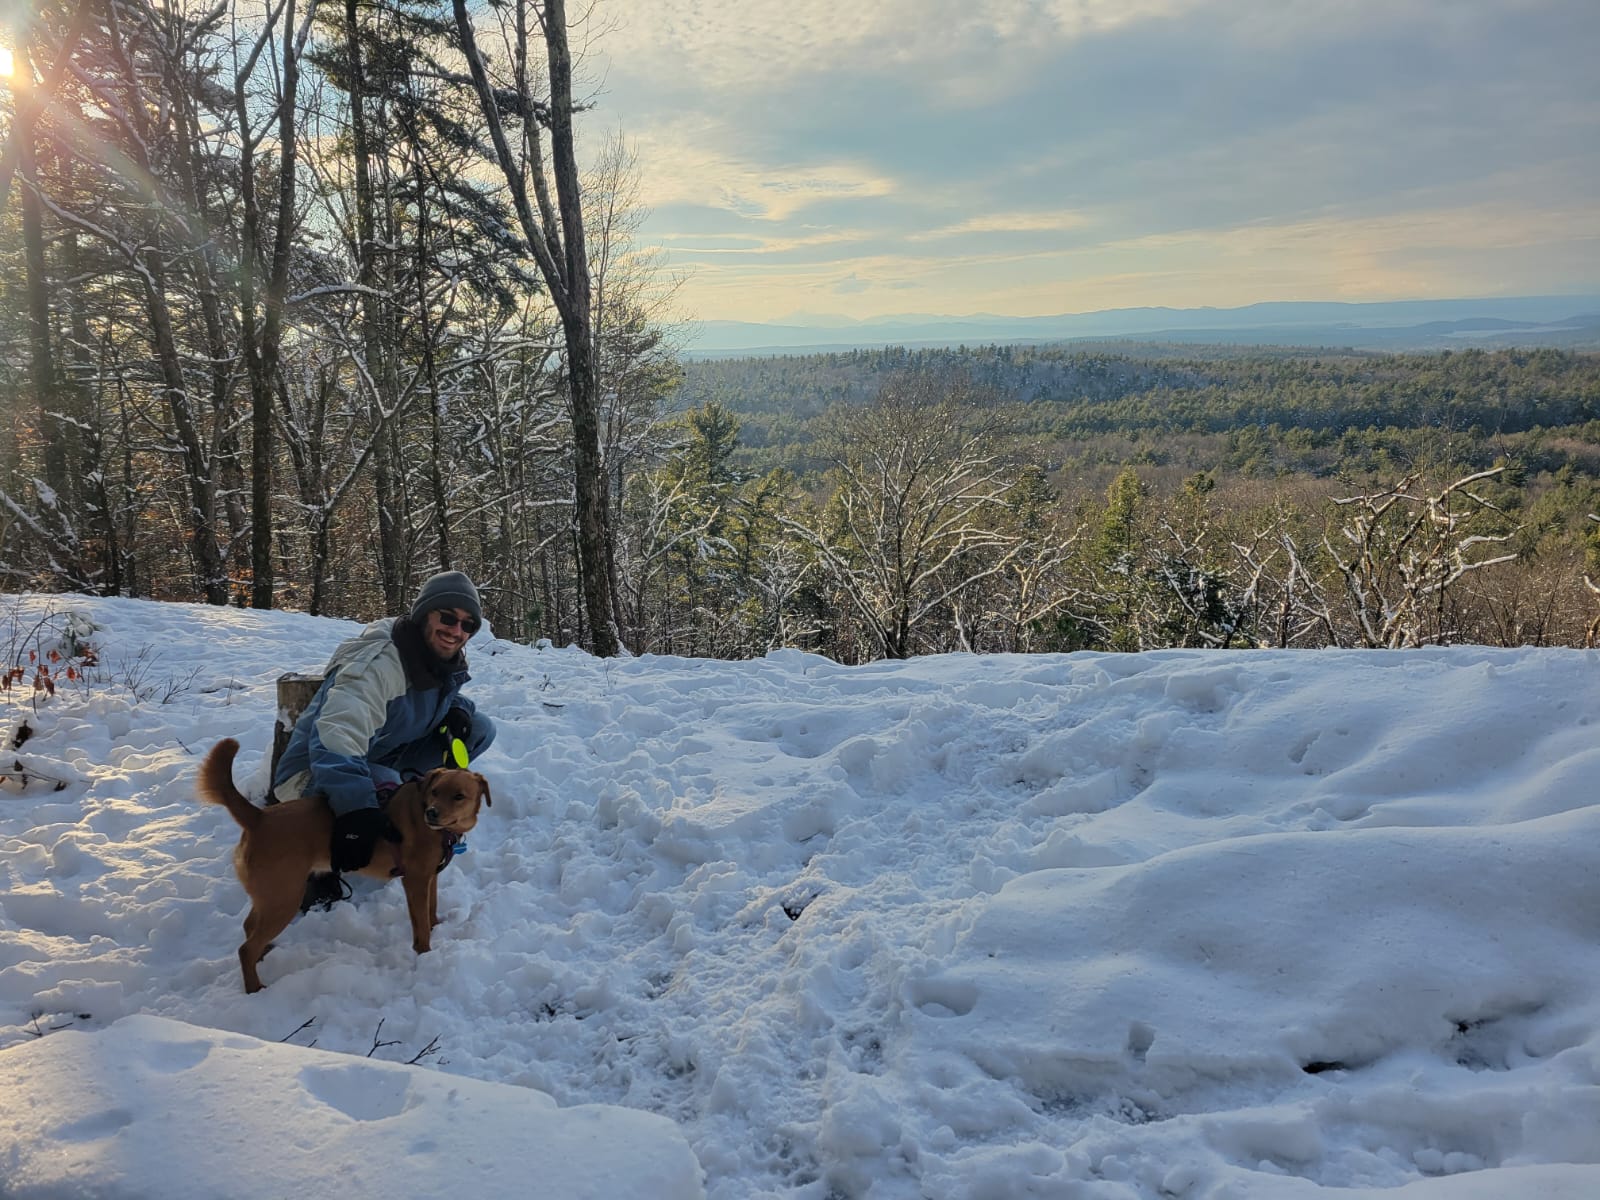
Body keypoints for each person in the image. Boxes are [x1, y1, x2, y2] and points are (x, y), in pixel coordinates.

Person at [272, 570, 496, 881]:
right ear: (423, 615)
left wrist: (457, 710)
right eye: (447, 617)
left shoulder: (436, 656)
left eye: (468, 625)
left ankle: (404, 807)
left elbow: (428, 700)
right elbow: (338, 735)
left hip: (377, 752)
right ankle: (340, 850)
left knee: (480, 727)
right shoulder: (381, 664)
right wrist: (356, 809)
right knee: (387, 785)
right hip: (316, 770)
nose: (456, 630)